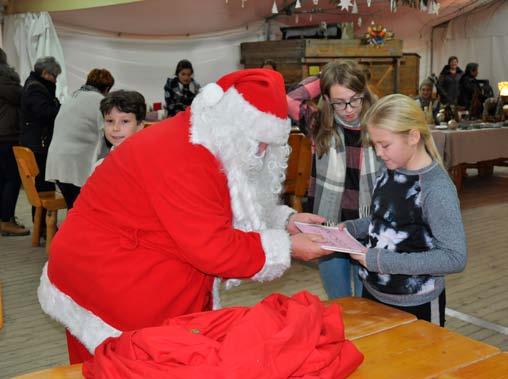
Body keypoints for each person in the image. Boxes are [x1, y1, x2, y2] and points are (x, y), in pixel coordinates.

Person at [38, 69, 331, 364]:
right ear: (234, 124)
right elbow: (213, 248)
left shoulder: (209, 140)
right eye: (258, 140)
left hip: (133, 264)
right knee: (116, 365)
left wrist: (285, 222)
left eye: (269, 144)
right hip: (107, 278)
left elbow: (232, 203)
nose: (262, 151)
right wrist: (288, 247)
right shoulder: (186, 158)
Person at [344, 94, 467, 326]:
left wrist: (381, 261)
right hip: (373, 292)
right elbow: (385, 221)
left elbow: (455, 257)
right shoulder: (389, 169)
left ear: (413, 136)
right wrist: (351, 228)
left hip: (415, 304)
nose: (378, 153)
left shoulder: (435, 189)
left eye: (385, 145)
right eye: (375, 145)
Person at [287, 60, 381, 299]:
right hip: (329, 228)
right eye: (339, 102)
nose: (349, 108)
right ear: (327, 99)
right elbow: (289, 98)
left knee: (368, 305)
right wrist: (328, 76)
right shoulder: (319, 125)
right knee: (339, 303)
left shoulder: (380, 124)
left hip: (369, 228)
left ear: (364, 93)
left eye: (355, 99)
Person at [45, 69, 114, 209]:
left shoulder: (72, 96)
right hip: (76, 163)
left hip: (56, 161)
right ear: (106, 89)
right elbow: (108, 133)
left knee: (74, 207)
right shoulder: (100, 101)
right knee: (82, 209)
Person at [20, 56, 61, 230]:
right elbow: (44, 112)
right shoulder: (37, 89)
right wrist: (61, 108)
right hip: (39, 144)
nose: (56, 80)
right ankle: (45, 227)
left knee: (41, 186)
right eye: (54, 76)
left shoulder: (33, 84)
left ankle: (42, 225)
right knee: (45, 185)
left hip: (35, 141)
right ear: (45, 73)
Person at [0, 48, 30, 236]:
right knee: (12, 178)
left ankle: (3, 218)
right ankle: (6, 220)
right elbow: (21, 96)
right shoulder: (5, 80)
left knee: (2, 179)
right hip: (7, 136)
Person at [93, 89, 146, 168]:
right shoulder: (99, 167)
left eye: (125, 121)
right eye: (110, 121)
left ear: (139, 126)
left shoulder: (148, 163)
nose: (115, 128)